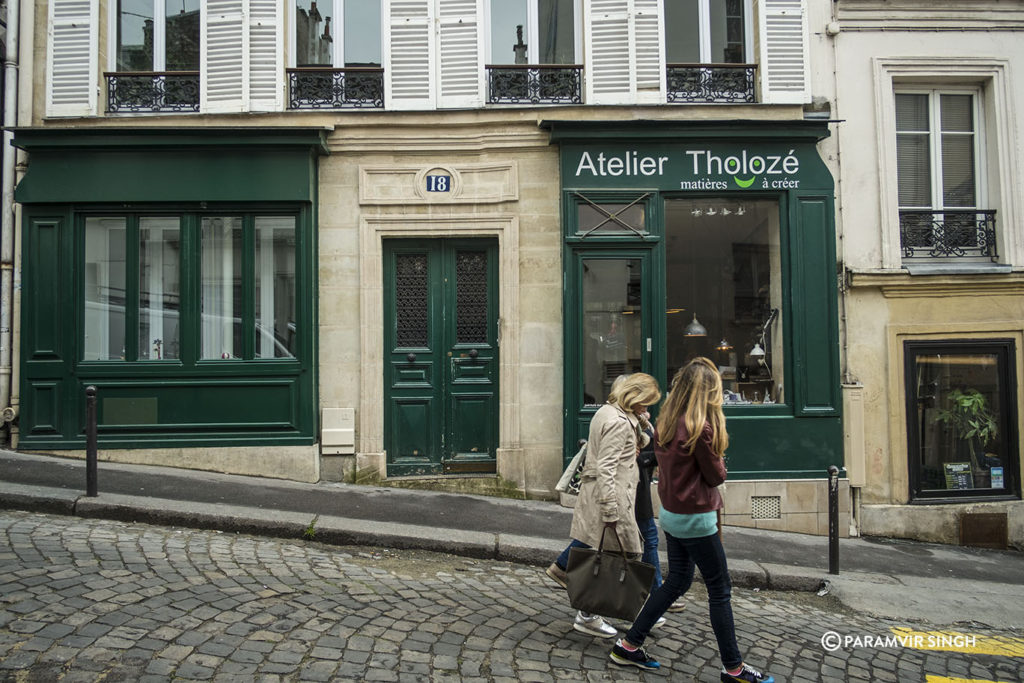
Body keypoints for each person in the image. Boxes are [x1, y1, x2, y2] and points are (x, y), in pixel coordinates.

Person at [608, 357, 774, 683]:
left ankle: (629, 644)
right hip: (697, 519)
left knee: (677, 582)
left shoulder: (668, 423)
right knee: (719, 589)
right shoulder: (701, 429)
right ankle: (734, 669)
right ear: (708, 393)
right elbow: (715, 476)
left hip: (672, 515)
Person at [545, 372, 661, 638]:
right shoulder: (619, 422)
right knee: (618, 557)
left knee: (607, 554)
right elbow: (607, 467)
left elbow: (631, 447)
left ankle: (593, 605)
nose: (648, 408)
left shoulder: (609, 413)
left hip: (609, 496)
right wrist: (610, 509)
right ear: (634, 397)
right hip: (614, 497)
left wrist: (641, 424)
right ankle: (593, 613)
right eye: (646, 402)